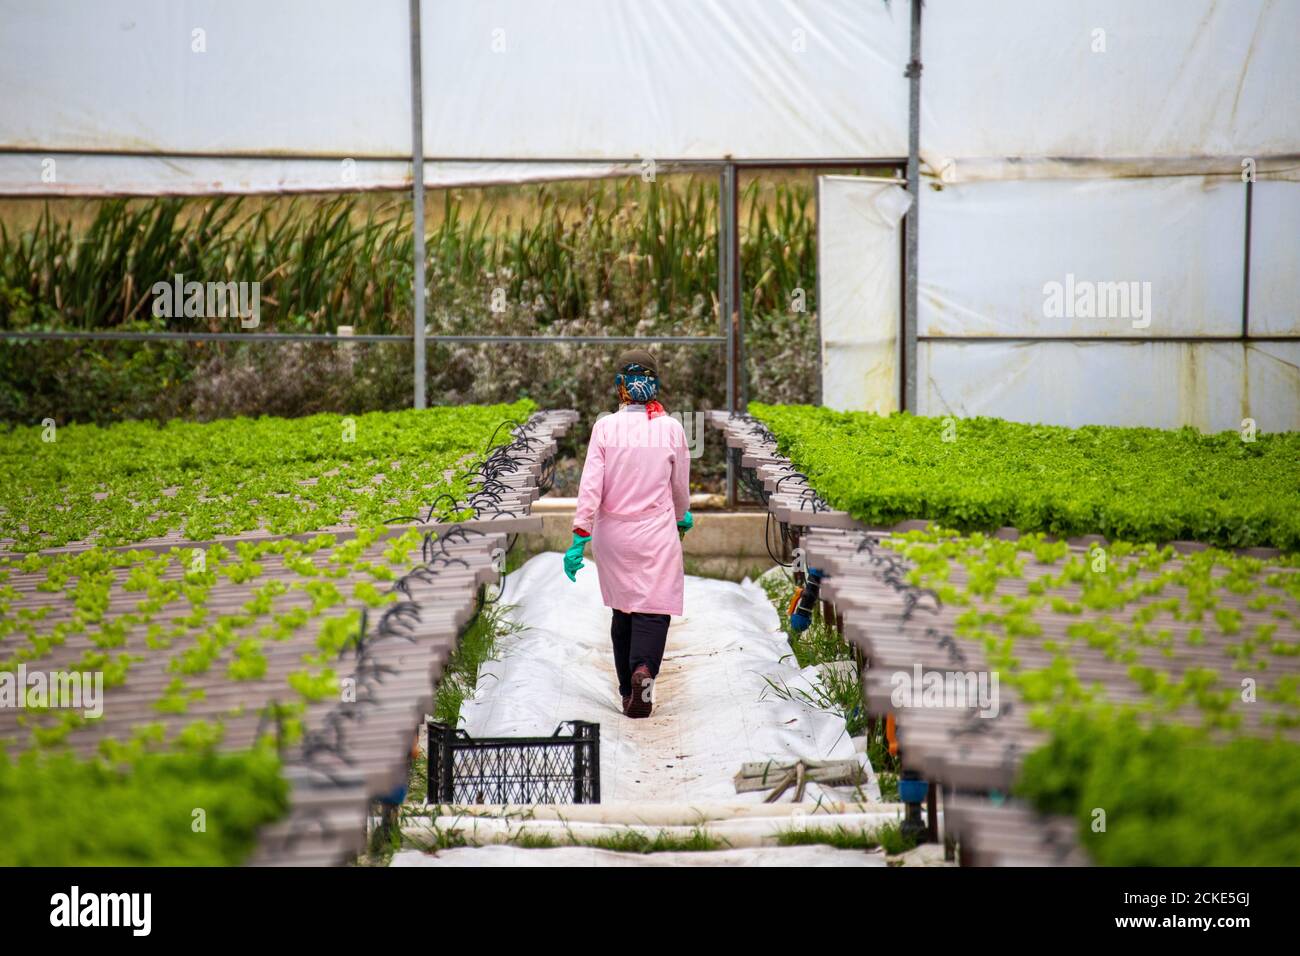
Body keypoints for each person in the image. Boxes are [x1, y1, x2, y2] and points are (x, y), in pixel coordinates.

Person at [564, 349, 693, 719]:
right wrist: (682, 516)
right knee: (653, 609)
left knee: (623, 611)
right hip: (656, 532)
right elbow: (679, 486)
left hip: (613, 537)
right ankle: (644, 673)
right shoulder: (671, 428)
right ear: (655, 384)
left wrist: (579, 536)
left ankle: (626, 691)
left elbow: (590, 487)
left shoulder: (605, 427)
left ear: (620, 387)